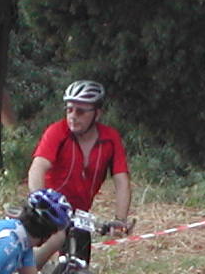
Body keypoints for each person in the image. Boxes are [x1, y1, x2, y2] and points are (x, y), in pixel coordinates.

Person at [26, 80, 134, 245]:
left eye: (81, 111)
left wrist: (120, 220)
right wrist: (41, 201)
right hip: (49, 209)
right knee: (53, 241)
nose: (73, 116)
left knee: (79, 259)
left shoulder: (110, 138)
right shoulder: (57, 131)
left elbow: (122, 182)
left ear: (97, 114)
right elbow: (38, 167)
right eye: (69, 110)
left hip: (79, 214)